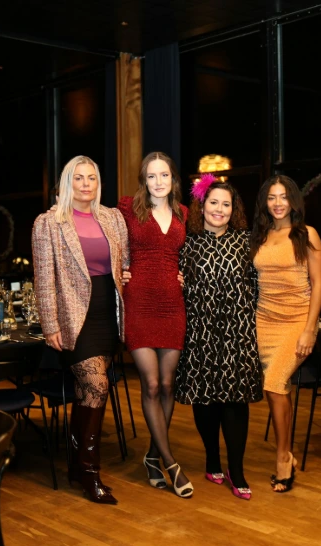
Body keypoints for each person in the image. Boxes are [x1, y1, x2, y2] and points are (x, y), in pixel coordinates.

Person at [32, 155, 129, 504]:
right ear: (67, 183)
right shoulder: (49, 223)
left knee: (89, 391)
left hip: (107, 310)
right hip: (74, 315)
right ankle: (90, 472)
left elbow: (125, 261)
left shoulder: (113, 218)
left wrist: (127, 275)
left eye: (91, 178)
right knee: (96, 383)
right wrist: (50, 324)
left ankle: (76, 465)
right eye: (78, 178)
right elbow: (43, 278)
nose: (86, 184)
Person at [175, 175, 262, 501]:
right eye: (214, 203)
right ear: (202, 205)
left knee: (236, 402)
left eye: (227, 204)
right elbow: (170, 278)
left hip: (238, 334)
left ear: (234, 209)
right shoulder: (187, 241)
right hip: (200, 333)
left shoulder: (246, 241)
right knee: (205, 402)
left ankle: (236, 470)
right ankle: (212, 457)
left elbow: (261, 284)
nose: (220, 209)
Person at [117, 151, 193, 498]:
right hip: (139, 303)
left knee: (167, 383)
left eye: (164, 175)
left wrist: (185, 275)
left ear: (173, 179)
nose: (158, 182)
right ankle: (171, 463)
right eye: (151, 176)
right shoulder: (127, 209)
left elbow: (189, 255)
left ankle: (151, 456)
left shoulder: (183, 214)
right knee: (149, 384)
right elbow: (108, 241)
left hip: (172, 306)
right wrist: (119, 269)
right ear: (143, 180)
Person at [251, 175, 321, 493]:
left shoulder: (307, 234)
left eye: (283, 197)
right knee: (274, 389)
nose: (277, 203)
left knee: (276, 384)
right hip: (264, 320)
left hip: (297, 321)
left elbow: (318, 284)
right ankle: (286, 453)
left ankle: (283, 458)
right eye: (271, 197)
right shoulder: (261, 235)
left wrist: (310, 329)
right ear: (265, 202)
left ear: (293, 200)